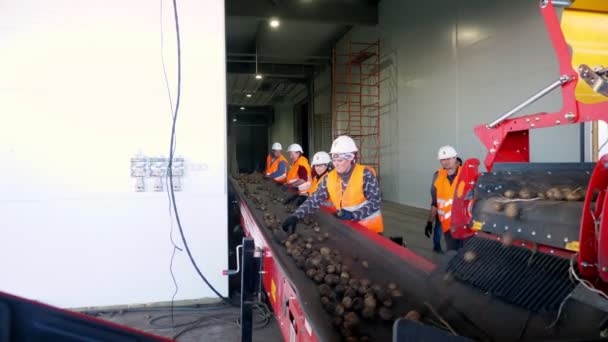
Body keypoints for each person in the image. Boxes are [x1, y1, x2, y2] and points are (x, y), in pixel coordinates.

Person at [282, 136, 384, 234]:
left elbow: (375, 202)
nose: (336, 164)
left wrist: (353, 215)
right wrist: (296, 216)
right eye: (334, 160)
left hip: (370, 230)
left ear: (352, 159)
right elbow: (314, 200)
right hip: (349, 229)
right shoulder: (329, 178)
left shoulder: (364, 174)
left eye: (340, 160)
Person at [425, 145, 463, 252]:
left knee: (466, 258)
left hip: (464, 226)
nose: (446, 161)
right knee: (453, 255)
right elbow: (435, 203)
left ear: (455, 158)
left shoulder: (466, 174)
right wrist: (429, 222)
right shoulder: (437, 176)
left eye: (449, 158)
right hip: (447, 228)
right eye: (443, 159)